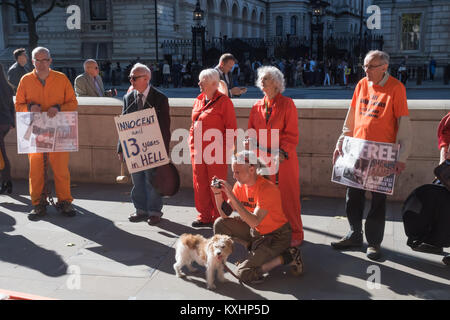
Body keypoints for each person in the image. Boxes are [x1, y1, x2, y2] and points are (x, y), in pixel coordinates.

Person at [331, 50, 412, 260]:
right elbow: (351, 117)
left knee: (378, 200)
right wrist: (341, 141)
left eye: (371, 66)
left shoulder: (396, 88)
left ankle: (374, 243)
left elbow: (403, 125)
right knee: (353, 196)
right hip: (356, 149)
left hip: (382, 153)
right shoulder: (361, 85)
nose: (366, 70)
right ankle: (354, 234)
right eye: (364, 66)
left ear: (384, 67)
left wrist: (401, 158)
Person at [212, 151, 303, 284]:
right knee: (220, 224)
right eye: (233, 171)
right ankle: (252, 247)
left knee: (244, 274)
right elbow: (224, 215)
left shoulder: (267, 189)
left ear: (252, 169)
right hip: (256, 233)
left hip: (276, 237)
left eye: (237, 172)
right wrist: (217, 193)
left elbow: (254, 221)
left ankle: (289, 256)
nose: (234, 176)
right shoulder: (239, 186)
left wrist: (231, 195)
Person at [15, 47, 78, 220]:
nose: (41, 63)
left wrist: (58, 108)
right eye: (38, 59)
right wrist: (29, 107)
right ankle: (38, 204)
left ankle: (65, 201)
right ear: (32, 61)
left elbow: (73, 103)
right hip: (35, 131)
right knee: (35, 169)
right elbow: (18, 105)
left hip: (59, 130)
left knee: (60, 168)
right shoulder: (25, 80)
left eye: (45, 60)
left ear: (50, 61)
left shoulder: (61, 78)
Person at [247, 66, 304, 247]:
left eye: (267, 79)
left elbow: (291, 134)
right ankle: (269, 232)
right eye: (261, 78)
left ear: (277, 83)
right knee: (265, 198)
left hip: (283, 162)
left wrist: (282, 152)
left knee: (288, 198)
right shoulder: (257, 106)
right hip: (262, 161)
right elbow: (251, 132)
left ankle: (296, 233)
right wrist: (248, 143)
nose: (262, 81)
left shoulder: (287, 104)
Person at [117, 63, 170, 226]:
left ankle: (154, 211)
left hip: (153, 147)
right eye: (130, 77)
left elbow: (165, 126)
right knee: (138, 180)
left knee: (152, 180)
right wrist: (121, 147)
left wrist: (164, 151)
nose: (131, 80)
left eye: (134, 77)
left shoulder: (160, 98)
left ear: (146, 79)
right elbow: (123, 123)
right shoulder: (128, 98)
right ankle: (140, 209)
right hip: (134, 147)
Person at [189, 68, 237, 227]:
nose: (199, 84)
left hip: (216, 151)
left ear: (213, 84)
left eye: (202, 81)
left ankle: (219, 217)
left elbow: (231, 129)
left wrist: (226, 151)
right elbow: (193, 124)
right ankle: (204, 216)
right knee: (200, 183)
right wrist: (191, 144)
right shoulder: (198, 99)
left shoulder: (225, 102)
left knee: (216, 185)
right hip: (198, 151)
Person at [0, 64, 15, 194]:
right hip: (6, 123)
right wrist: (12, 123)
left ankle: (6, 182)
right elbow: (12, 106)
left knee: (2, 155)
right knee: (1, 153)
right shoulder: (7, 86)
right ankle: (7, 182)